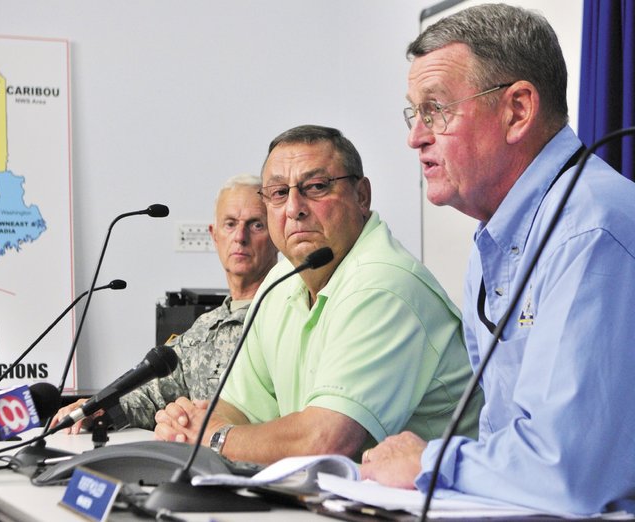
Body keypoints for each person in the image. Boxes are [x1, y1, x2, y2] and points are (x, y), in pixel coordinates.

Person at [360, 4, 635, 515]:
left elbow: (566, 471)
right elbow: (502, 432)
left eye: (435, 109)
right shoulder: (495, 239)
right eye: (413, 112)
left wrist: (430, 464)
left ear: (518, 111)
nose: (415, 136)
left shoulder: (591, 230)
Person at [153, 124, 481, 465]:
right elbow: (241, 407)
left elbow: (326, 440)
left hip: (433, 506)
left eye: (316, 187)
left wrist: (215, 437)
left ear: (361, 196)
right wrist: (191, 424)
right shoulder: (281, 280)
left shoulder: (383, 284)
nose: (295, 207)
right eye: (278, 193)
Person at [52, 174, 278, 432]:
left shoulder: (291, 312)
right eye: (230, 224)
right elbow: (149, 395)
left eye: (256, 225)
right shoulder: (205, 329)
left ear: (276, 236)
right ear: (214, 235)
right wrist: (96, 408)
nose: (240, 236)